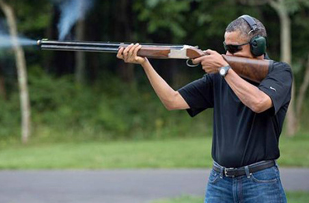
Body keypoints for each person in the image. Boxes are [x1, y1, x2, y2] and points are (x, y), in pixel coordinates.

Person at [117, 15, 292, 202]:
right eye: (226, 48)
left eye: (234, 49)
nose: (228, 54)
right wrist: (145, 63)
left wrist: (225, 69)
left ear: (258, 45)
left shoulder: (278, 72)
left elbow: (259, 102)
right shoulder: (219, 77)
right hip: (220, 181)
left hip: (260, 181)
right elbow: (172, 100)